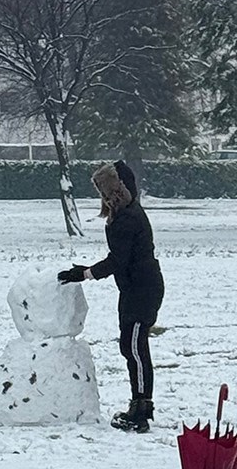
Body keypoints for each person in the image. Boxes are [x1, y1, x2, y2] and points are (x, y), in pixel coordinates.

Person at [58, 160, 164, 433]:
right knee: (129, 347)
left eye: (107, 191)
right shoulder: (123, 214)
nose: (104, 197)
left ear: (118, 189)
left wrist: (85, 274)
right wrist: (87, 271)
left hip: (143, 289)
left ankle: (142, 409)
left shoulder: (129, 217)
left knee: (136, 349)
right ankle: (138, 403)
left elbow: (118, 259)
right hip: (131, 288)